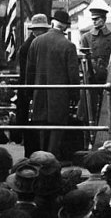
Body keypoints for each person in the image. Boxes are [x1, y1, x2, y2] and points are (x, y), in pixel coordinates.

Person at [26, 10, 80, 159]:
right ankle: (52, 161)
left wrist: (30, 92)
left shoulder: (36, 42)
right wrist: (76, 95)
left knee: (42, 130)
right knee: (56, 131)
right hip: (59, 96)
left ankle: (41, 159)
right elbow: (73, 75)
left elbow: (29, 71)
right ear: (65, 27)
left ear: (52, 23)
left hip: (39, 94)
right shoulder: (68, 45)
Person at [16, 14, 50, 157]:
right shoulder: (29, 47)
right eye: (40, 30)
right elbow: (29, 72)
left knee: (33, 124)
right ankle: (31, 154)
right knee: (31, 125)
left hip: (30, 88)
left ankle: (32, 153)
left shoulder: (32, 44)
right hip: (30, 90)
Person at [79, 7, 111, 123]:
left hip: (107, 76)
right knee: (89, 108)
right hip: (91, 77)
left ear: (103, 19)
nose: (94, 21)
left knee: (107, 107)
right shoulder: (86, 37)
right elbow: (83, 59)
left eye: (97, 19)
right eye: (93, 19)